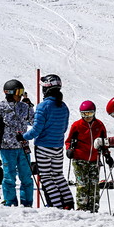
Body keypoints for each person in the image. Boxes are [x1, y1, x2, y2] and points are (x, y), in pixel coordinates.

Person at [23, 75, 74, 209]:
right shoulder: (64, 106)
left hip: (43, 147)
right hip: (58, 147)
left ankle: (55, 205)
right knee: (58, 176)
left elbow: (36, 130)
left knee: (46, 178)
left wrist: (23, 137)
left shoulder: (43, 106)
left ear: (46, 89)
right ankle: (68, 203)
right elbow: (63, 128)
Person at [0, 79, 34, 207]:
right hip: (7, 147)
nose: (21, 95)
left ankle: (27, 202)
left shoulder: (25, 107)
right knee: (9, 177)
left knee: (26, 177)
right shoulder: (1, 106)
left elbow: (34, 121)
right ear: (9, 92)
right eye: (19, 92)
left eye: (22, 92)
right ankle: (10, 202)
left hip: (23, 147)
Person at [65, 100, 108, 212]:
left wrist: (107, 155)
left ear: (94, 113)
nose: (87, 117)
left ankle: (93, 207)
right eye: (84, 114)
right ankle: (82, 208)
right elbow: (68, 140)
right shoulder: (77, 125)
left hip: (94, 159)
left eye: (89, 114)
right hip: (80, 160)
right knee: (82, 184)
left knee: (94, 185)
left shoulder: (99, 125)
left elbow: (104, 142)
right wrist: (69, 149)